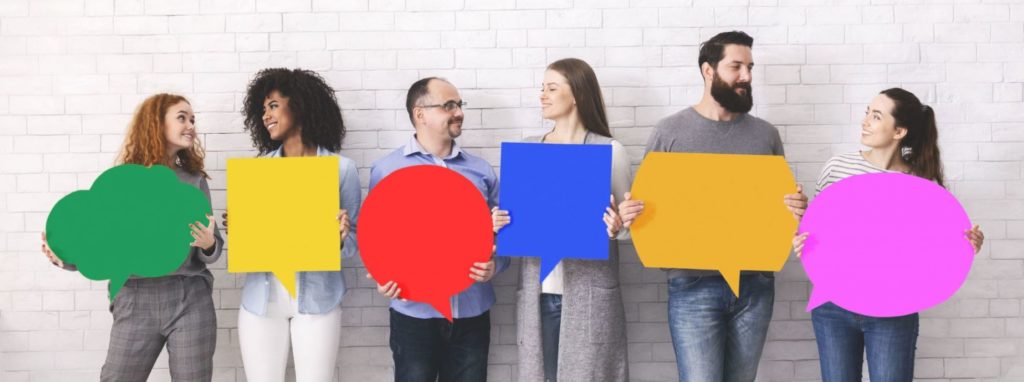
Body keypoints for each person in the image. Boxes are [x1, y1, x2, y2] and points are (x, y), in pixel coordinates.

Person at [615, 31, 808, 382]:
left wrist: (795, 209)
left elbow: (780, 215)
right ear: (708, 71)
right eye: (736, 66)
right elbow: (643, 212)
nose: (747, 76)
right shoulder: (669, 131)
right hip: (692, 287)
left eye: (750, 67)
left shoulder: (766, 135)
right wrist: (631, 216)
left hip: (755, 286)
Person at [793, 88, 985, 382]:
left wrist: (966, 245)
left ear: (899, 131)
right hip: (833, 307)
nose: (865, 121)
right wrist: (801, 238)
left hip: (893, 310)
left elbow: (934, 252)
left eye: (876, 116)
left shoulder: (922, 184)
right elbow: (816, 234)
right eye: (867, 112)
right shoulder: (837, 167)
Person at [41, 93, 223, 382]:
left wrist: (209, 243)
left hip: (189, 296)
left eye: (192, 119)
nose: (190, 125)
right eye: (181, 117)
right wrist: (65, 259)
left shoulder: (194, 180)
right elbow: (102, 243)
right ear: (156, 124)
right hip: (135, 298)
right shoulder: (121, 182)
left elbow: (213, 246)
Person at [491, 58, 630, 381]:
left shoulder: (610, 151)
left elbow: (629, 228)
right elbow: (513, 228)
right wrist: (499, 223)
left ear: (578, 94)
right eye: (542, 88)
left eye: (552, 88)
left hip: (590, 297)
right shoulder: (528, 150)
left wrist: (617, 227)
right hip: (538, 295)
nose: (543, 95)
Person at [368, 77, 508, 382]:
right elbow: (376, 240)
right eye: (448, 105)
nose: (458, 112)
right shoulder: (387, 170)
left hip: (472, 314)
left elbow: (506, 234)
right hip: (414, 316)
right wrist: (383, 278)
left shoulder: (481, 170)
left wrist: (495, 266)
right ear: (421, 114)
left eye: (459, 105)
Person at [226, 68, 359, 382]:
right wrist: (241, 228)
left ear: (298, 105)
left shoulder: (341, 169)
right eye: (262, 110)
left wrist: (340, 237)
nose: (266, 116)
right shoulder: (257, 172)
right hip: (262, 301)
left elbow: (353, 246)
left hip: (318, 303)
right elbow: (251, 244)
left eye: (273, 105)